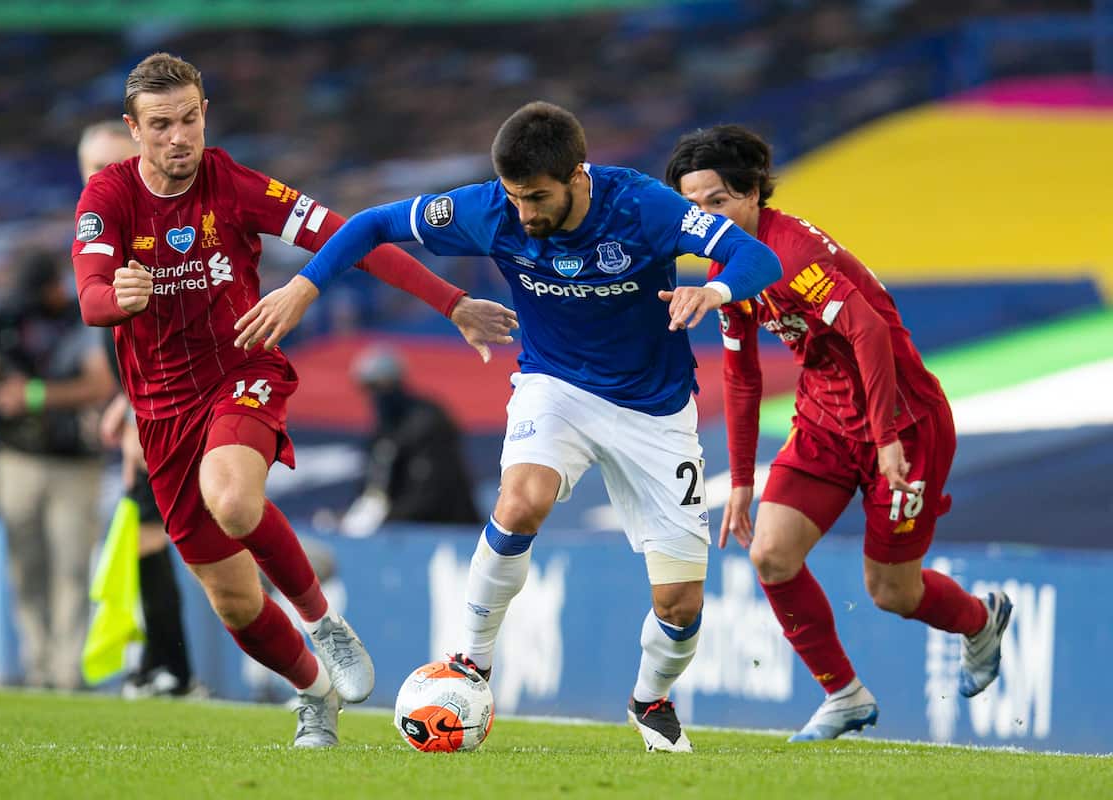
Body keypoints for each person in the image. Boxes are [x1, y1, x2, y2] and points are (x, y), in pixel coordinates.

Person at [234, 101, 782, 752]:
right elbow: (373, 224)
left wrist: (713, 292)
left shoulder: (643, 208)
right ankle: (470, 660)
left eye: (538, 197)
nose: (524, 213)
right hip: (556, 386)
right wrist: (305, 286)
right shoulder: (487, 208)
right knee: (521, 502)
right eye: (515, 197)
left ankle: (650, 699)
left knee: (680, 605)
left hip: (654, 411)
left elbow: (756, 259)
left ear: (578, 175)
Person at [70, 52, 516, 747]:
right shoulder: (108, 198)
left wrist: (451, 301)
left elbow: (354, 238)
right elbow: (92, 291)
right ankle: (314, 693)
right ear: (134, 128)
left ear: (204, 113)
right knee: (234, 599)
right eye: (161, 125)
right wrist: (112, 298)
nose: (179, 137)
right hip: (161, 413)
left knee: (235, 497)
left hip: (241, 375)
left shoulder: (235, 185)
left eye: (189, 119)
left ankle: (321, 619)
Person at [663, 125, 1013, 741]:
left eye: (715, 202)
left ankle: (980, 621)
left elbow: (870, 332)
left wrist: (885, 438)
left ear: (751, 195)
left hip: (904, 422)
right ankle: (844, 695)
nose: (703, 218)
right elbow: (741, 375)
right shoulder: (728, 268)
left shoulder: (792, 253)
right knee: (770, 553)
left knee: (891, 591)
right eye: (690, 208)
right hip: (824, 420)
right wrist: (741, 480)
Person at [0, 251, 117, 690]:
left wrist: (36, 395)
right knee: (26, 566)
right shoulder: (9, 323)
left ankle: (67, 672)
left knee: (71, 567)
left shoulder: (82, 319)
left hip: (74, 464)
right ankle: (37, 666)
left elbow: (101, 384)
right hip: (17, 458)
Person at [80, 120, 196, 698]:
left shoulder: (159, 232)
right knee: (150, 532)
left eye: (114, 164)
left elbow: (168, 334)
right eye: (94, 167)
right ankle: (162, 663)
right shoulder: (98, 231)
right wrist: (124, 403)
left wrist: (141, 413)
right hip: (145, 406)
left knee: (160, 534)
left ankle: (172, 666)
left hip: (181, 404)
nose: (105, 177)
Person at [338, 345, 482, 537]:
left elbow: (432, 487)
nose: (375, 396)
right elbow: (376, 482)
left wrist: (387, 519)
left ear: (396, 383)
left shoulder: (426, 419)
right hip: (402, 527)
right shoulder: (384, 428)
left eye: (380, 386)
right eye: (369, 389)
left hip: (447, 527)